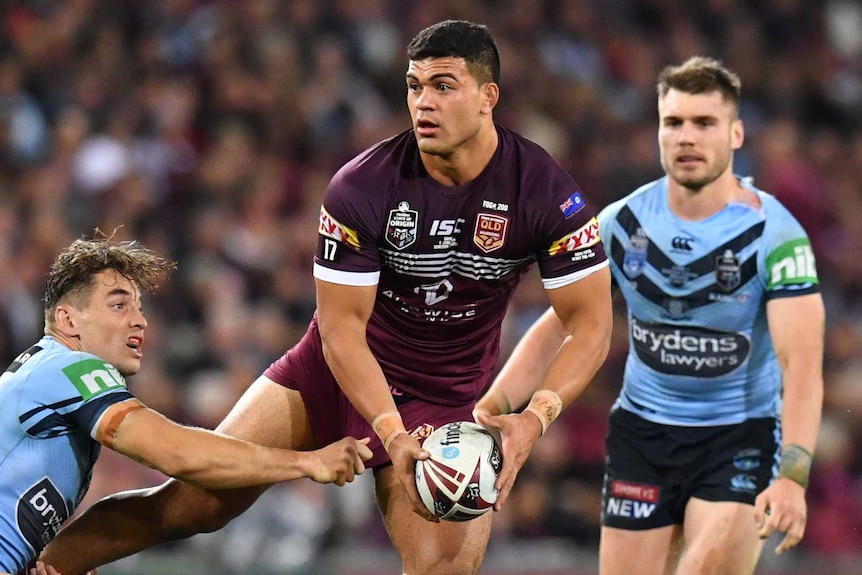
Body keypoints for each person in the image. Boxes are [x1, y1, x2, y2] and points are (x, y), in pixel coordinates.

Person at [37, 20, 613, 575]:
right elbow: (341, 331)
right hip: (332, 372)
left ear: (488, 96)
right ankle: (43, 564)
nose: (423, 103)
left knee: (445, 566)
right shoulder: (361, 186)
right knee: (193, 504)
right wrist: (388, 430)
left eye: (443, 86)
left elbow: (589, 323)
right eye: (414, 86)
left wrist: (533, 421)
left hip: (447, 395)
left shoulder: (544, 191)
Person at [476, 56, 825, 575]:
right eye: (674, 122)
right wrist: (493, 404)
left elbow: (802, 368)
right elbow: (560, 324)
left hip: (739, 437)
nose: (686, 137)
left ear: (735, 134)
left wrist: (793, 476)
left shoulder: (775, 235)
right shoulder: (622, 224)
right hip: (643, 436)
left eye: (704, 123)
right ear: (659, 132)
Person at [0, 234, 372, 575]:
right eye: (118, 306)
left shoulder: (43, 375)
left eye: (139, 308)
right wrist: (306, 461)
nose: (140, 321)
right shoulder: (70, 367)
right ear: (68, 319)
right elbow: (175, 453)